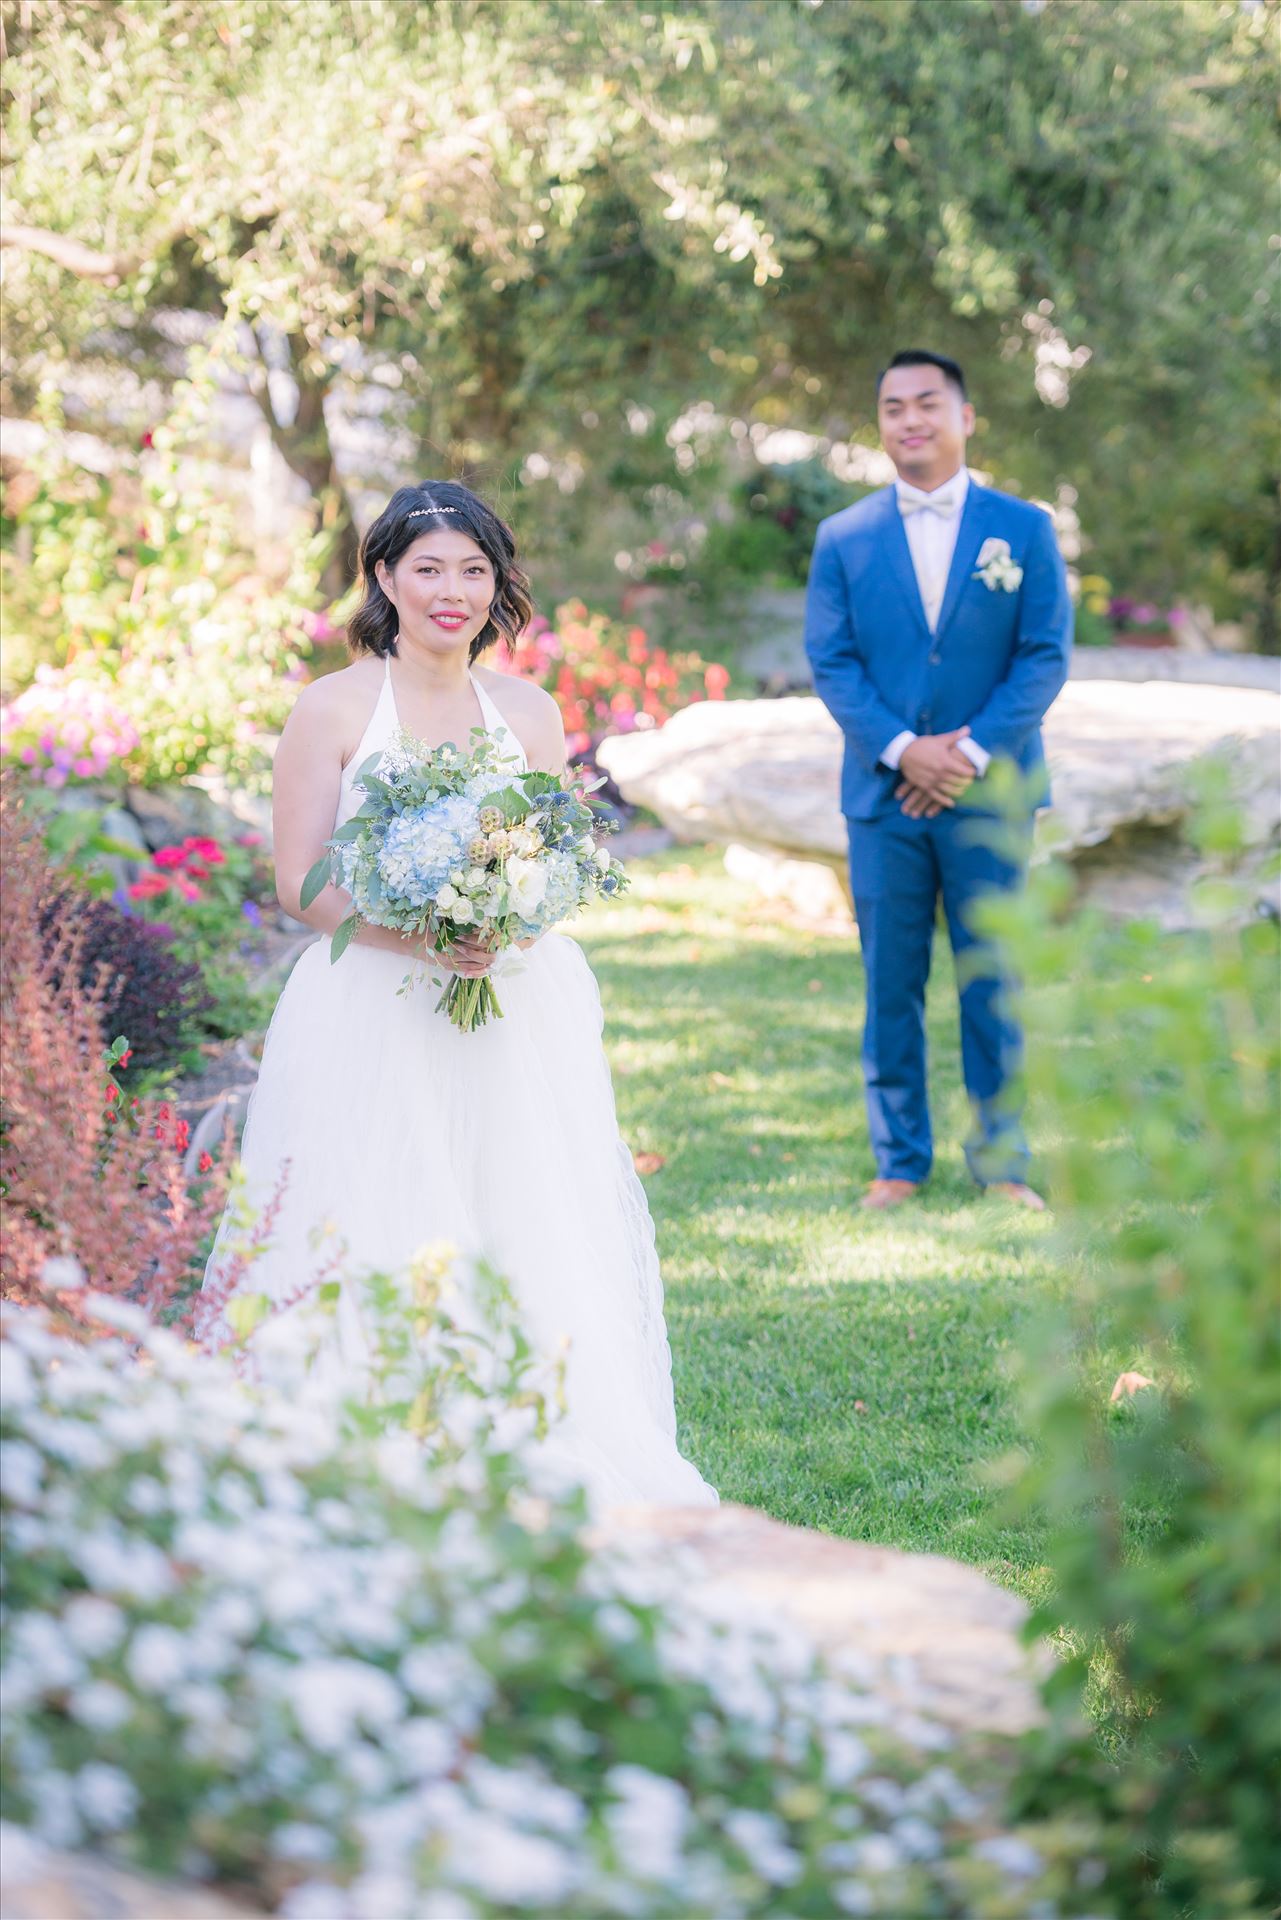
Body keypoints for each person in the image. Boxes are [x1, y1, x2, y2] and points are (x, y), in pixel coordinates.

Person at [201, 480, 716, 1510]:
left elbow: (553, 860)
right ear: (384, 577)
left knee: (519, 1203)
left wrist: (503, 920)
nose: (452, 591)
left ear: (499, 585)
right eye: (427, 568)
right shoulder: (334, 708)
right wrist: (421, 935)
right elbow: (299, 878)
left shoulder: (526, 712)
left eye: (473, 571)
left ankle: (527, 1421)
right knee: (371, 1203)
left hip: (514, 1007)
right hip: (369, 1007)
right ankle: (362, 1438)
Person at [804, 350, 1072, 1211]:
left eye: (926, 404)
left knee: (992, 979)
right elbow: (832, 660)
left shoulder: (1021, 529)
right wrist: (899, 749)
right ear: (878, 424)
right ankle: (899, 1162)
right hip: (882, 799)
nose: (909, 420)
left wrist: (966, 755)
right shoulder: (842, 537)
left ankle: (1002, 1164)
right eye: (892, 408)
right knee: (891, 983)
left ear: (964, 417)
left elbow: (1041, 657)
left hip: (989, 798)